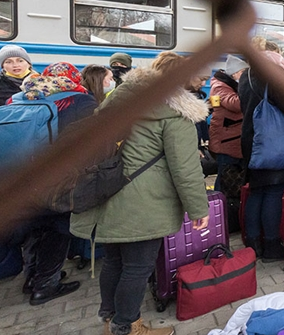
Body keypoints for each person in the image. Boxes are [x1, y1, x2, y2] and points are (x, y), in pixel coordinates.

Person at [70, 52, 209, 335]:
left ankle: (110, 318)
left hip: (107, 192)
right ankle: (127, 326)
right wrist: (198, 209)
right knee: (137, 267)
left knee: (114, 261)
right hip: (143, 202)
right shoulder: (175, 113)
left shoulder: (118, 98)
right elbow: (185, 169)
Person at [12, 63, 96, 306]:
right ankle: (46, 285)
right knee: (58, 229)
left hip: (23, 174)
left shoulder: (22, 97)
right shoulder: (80, 100)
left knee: (34, 227)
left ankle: (31, 278)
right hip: (59, 178)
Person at [239, 51, 284, 260]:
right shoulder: (273, 75)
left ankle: (252, 243)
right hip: (273, 143)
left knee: (256, 191)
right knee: (273, 193)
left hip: (252, 141)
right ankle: (271, 245)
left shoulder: (246, 75)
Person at [209, 55, 248, 193]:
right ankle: (220, 203)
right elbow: (235, 104)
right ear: (235, 73)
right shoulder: (220, 86)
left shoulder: (229, 85)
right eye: (243, 72)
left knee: (233, 180)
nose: (245, 76)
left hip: (232, 140)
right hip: (226, 142)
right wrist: (246, 87)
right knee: (225, 180)